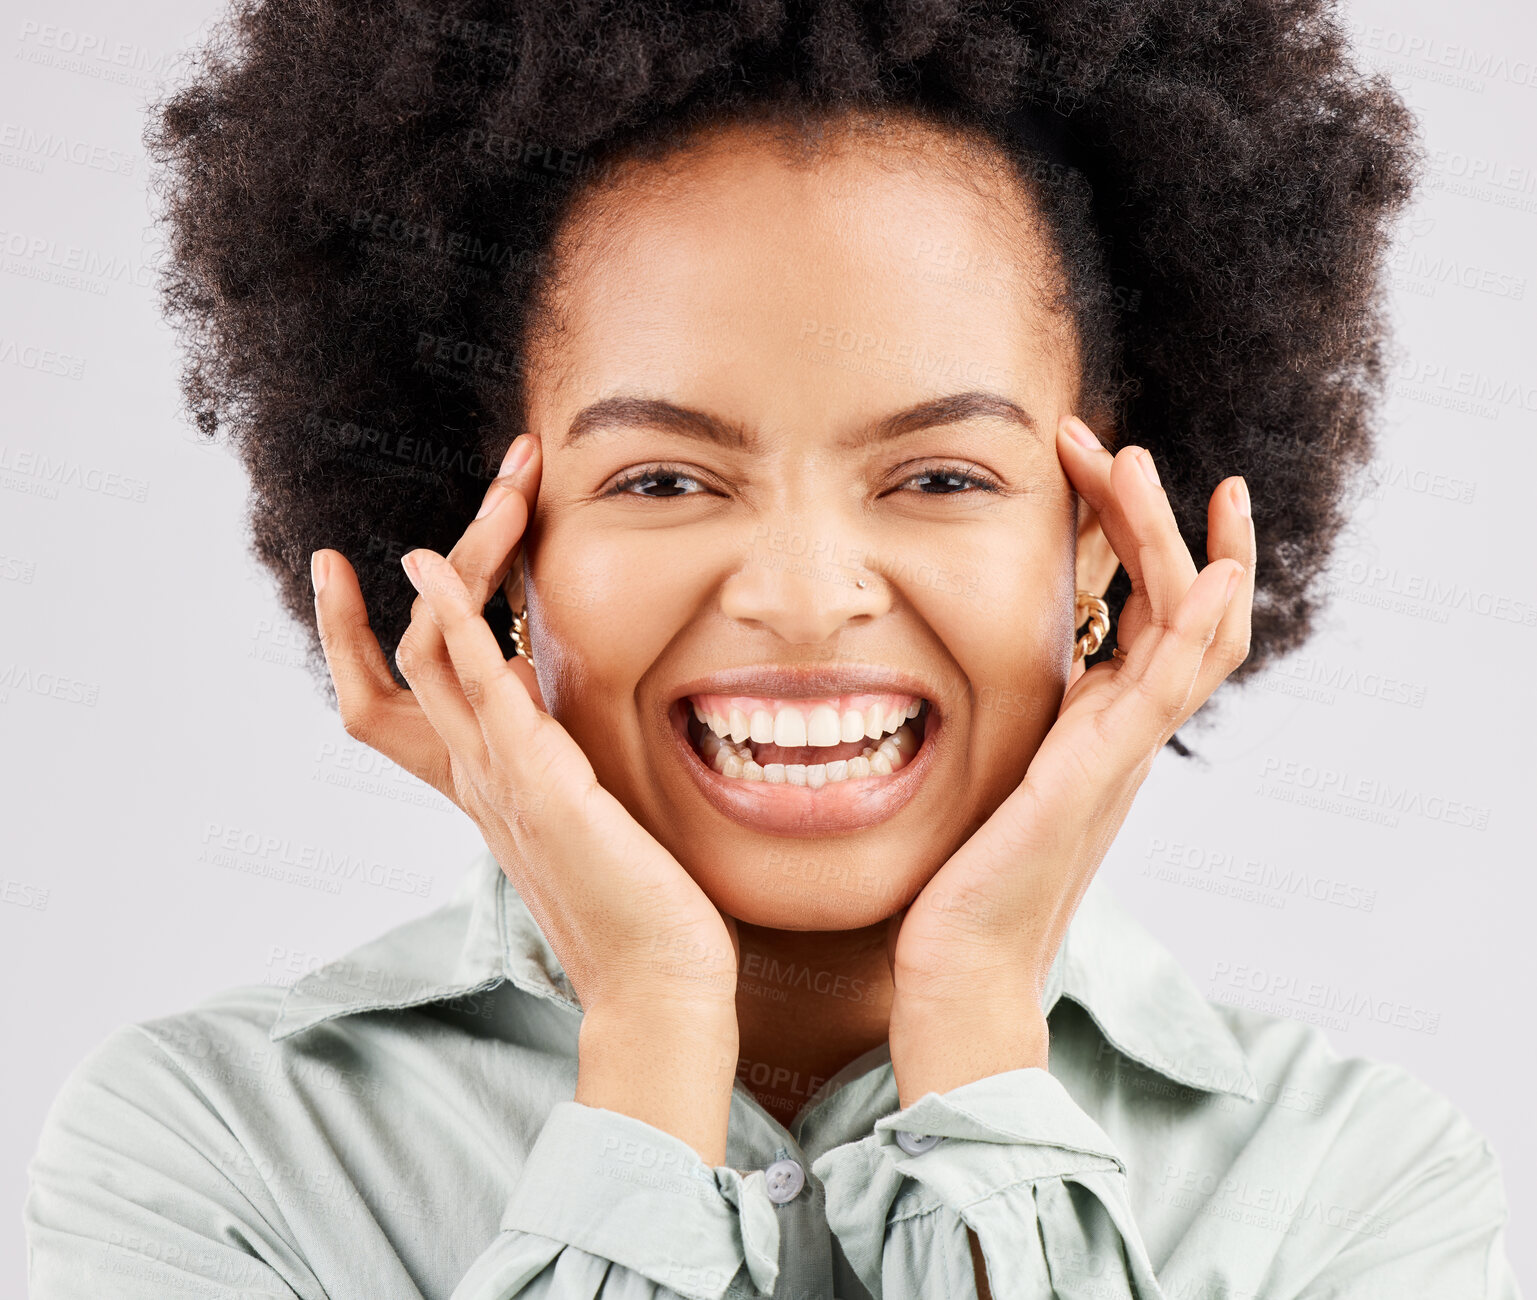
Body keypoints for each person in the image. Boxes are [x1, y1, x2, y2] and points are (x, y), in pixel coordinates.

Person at [25, 0, 1519, 1296]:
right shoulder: (219, 1153)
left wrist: (980, 1038)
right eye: (660, 480)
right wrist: (653, 1037)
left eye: (940, 477)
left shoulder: (1347, 1186)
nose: (805, 600)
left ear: (1101, 548)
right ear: (490, 547)